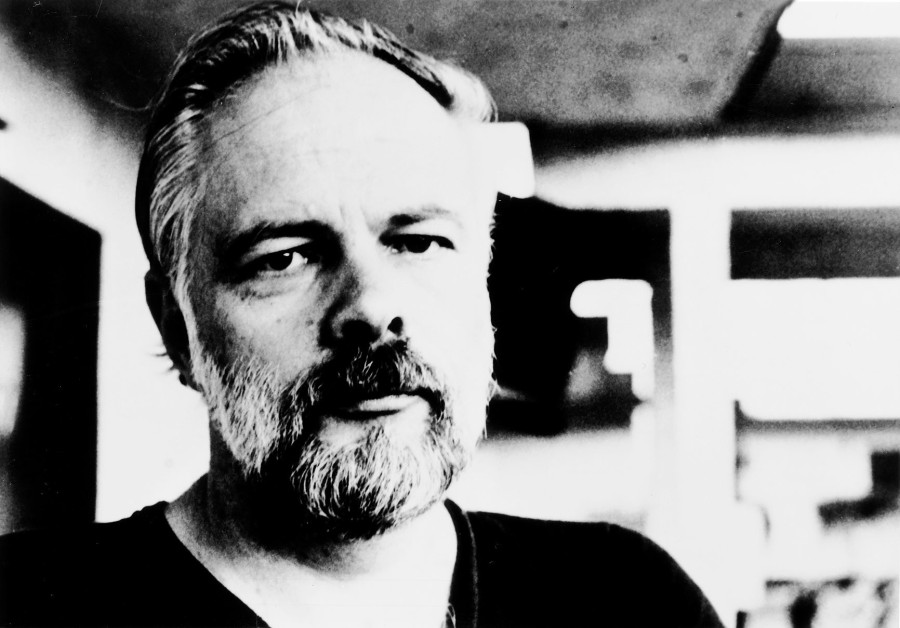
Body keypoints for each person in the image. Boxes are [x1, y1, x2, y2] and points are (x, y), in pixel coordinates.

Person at [0, 3, 724, 627]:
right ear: (177, 327)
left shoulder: (629, 602)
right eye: (285, 257)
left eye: (419, 242)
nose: (373, 306)